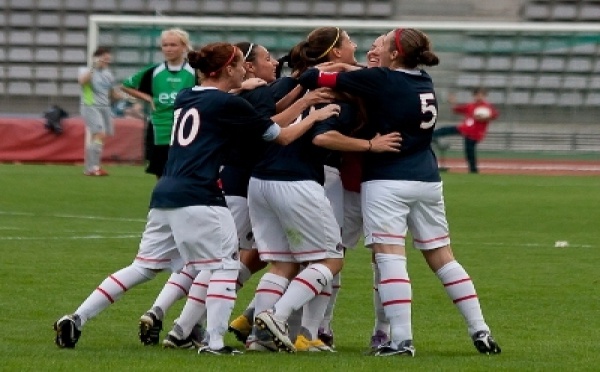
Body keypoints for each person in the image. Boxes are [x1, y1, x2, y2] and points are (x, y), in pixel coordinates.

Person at [53, 42, 340, 354]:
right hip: (200, 194)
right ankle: (214, 342)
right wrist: (313, 112)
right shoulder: (230, 106)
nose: (245, 69)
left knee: (143, 266)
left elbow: (218, 100)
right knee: (226, 267)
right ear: (228, 69)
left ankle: (77, 316)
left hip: (165, 192)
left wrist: (241, 87)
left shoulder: (186, 95)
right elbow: (280, 135)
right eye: (240, 65)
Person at [296, 27, 501, 356]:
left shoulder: (380, 81)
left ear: (394, 54)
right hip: (427, 179)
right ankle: (481, 330)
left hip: (387, 179)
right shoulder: (422, 80)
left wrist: (336, 68)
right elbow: (380, 79)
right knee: (443, 258)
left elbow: (311, 77)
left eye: (381, 45)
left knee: (389, 257)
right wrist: (358, 69)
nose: (372, 49)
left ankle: (400, 339)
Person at [249, 27, 401, 353]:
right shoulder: (338, 96)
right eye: (349, 42)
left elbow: (264, 116)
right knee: (330, 259)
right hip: (298, 181)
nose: (356, 46)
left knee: (282, 263)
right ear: (334, 52)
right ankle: (290, 325)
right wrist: (370, 144)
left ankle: (258, 338)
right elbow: (322, 137)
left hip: (259, 180)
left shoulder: (293, 82)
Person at [120, 28, 196, 179]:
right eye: (165, 45)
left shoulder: (195, 72)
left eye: (173, 45)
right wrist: (148, 98)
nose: (168, 49)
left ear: (184, 47)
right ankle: (163, 201)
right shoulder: (154, 71)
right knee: (160, 172)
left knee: (185, 171)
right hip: (159, 128)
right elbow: (126, 86)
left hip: (187, 128)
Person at [78, 46, 124, 176]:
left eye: (108, 60)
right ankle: (94, 167)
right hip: (90, 105)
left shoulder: (108, 74)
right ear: (96, 58)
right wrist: (94, 67)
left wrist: (125, 95)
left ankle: (89, 168)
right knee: (100, 134)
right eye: (104, 59)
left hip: (104, 107)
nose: (106, 62)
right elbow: (82, 81)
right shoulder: (86, 70)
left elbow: (112, 94)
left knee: (97, 137)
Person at [432, 87, 499, 173]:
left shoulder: (486, 107)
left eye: (481, 95)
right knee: (445, 130)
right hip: (465, 128)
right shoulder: (471, 105)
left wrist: (485, 117)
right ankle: (431, 136)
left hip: (475, 133)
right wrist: (453, 102)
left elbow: (494, 115)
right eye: (477, 95)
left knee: (469, 151)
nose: (479, 97)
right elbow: (457, 109)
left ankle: (473, 170)